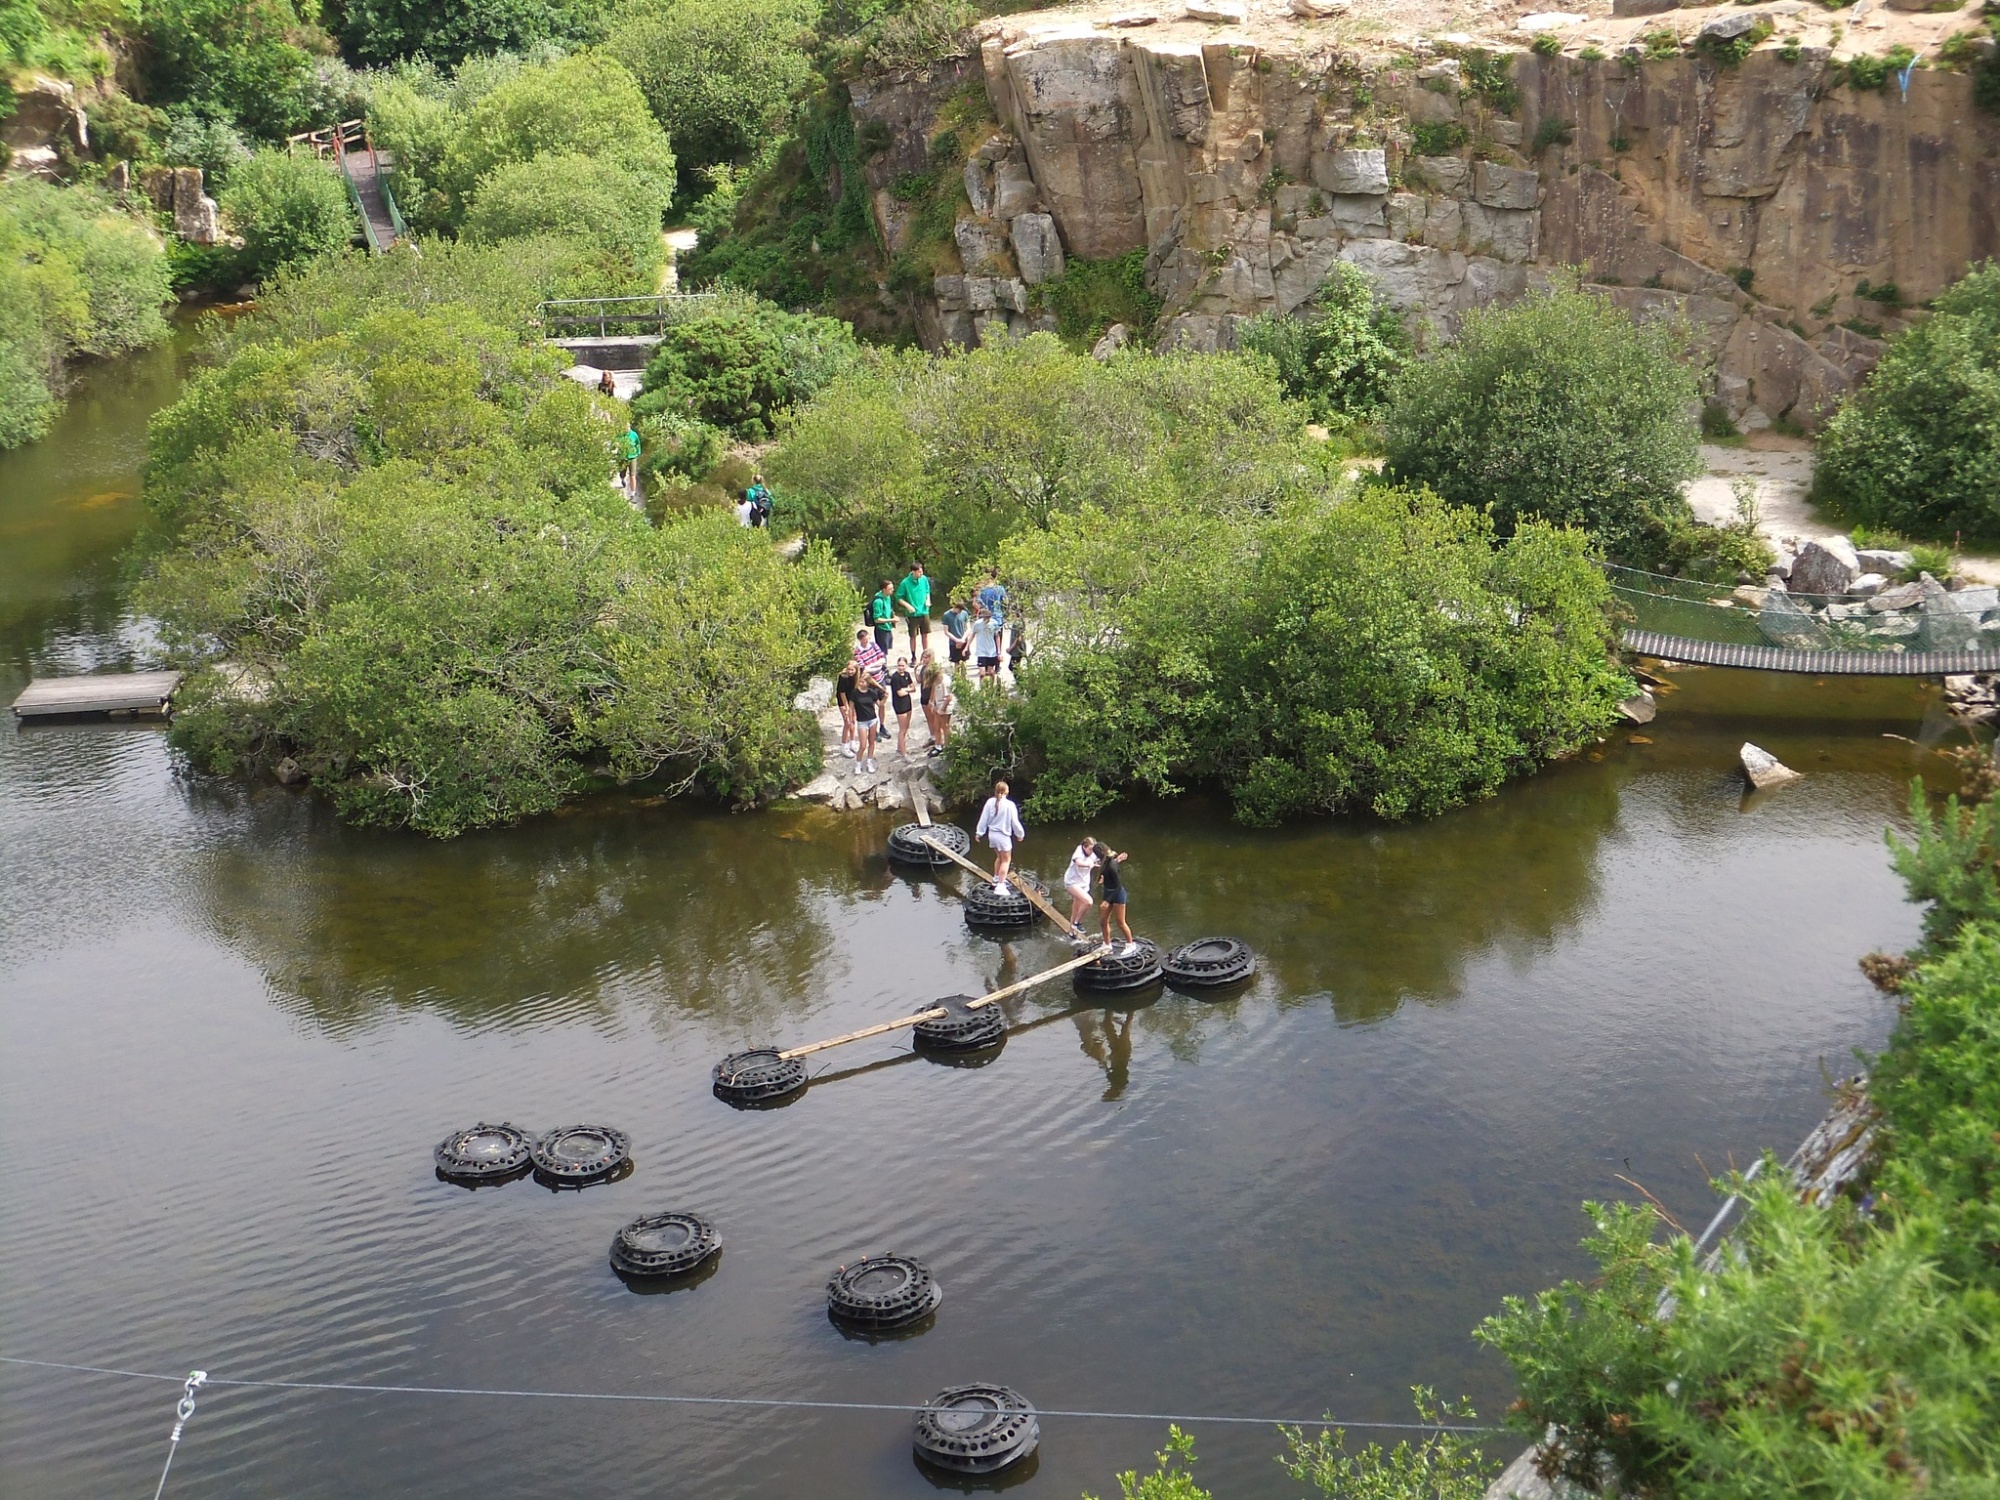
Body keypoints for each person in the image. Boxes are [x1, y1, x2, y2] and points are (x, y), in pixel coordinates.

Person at [975, 780, 1025, 892]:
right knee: (1006, 860)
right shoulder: (1010, 805)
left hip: (992, 835)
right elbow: (1015, 823)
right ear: (1007, 792)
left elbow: (983, 819)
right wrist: (1020, 834)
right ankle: (1001, 885)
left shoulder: (989, 802)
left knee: (999, 857)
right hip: (1003, 837)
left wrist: (979, 833)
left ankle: (996, 879)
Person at [1096, 842, 1134, 955]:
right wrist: (1103, 879)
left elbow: (1118, 885)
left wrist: (1107, 901)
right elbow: (1109, 867)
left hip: (1117, 894)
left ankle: (1130, 944)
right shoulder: (1106, 861)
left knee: (1120, 922)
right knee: (1103, 921)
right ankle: (1107, 945)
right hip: (1108, 892)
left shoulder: (1111, 865)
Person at [1063, 836, 1100, 937]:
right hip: (1072, 882)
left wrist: (1117, 859)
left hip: (1083, 884)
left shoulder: (1094, 853)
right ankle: (1077, 923)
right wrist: (1090, 865)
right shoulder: (1079, 851)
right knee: (1088, 902)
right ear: (1084, 847)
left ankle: (1071, 932)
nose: (1092, 852)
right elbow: (1079, 863)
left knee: (1076, 910)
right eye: (1090, 849)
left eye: (1093, 849)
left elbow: (1103, 860)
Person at [894, 562, 932, 658]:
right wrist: (908, 606)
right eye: (919, 571)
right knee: (913, 636)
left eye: (922, 570)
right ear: (913, 572)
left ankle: (925, 655)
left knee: (925, 634)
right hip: (912, 614)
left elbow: (927, 591)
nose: (921, 573)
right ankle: (913, 656)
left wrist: (928, 599)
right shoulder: (905, 583)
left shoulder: (924, 579)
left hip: (924, 611)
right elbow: (899, 598)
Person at [851, 669, 885, 773]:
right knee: (862, 745)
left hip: (872, 719)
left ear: (868, 683)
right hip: (861, 721)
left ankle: (869, 762)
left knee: (871, 742)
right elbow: (851, 707)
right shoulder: (855, 693)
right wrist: (851, 718)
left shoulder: (872, 693)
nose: (860, 683)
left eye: (863, 682)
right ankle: (858, 764)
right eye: (860, 681)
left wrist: (885, 698)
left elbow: (879, 705)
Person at [887, 656, 915, 758]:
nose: (901, 667)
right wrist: (907, 689)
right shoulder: (895, 677)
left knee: (906, 727)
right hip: (899, 705)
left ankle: (900, 747)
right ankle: (904, 753)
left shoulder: (907, 674)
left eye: (903, 666)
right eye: (899, 665)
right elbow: (900, 693)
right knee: (902, 729)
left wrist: (906, 689)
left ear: (906, 666)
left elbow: (913, 688)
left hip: (907, 703)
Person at [918, 650, 947, 751]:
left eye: (926, 657)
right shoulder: (923, 668)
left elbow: (933, 686)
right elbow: (920, 681)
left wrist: (932, 699)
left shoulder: (933, 669)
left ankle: (939, 739)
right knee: (929, 719)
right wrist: (916, 669)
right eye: (923, 657)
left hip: (929, 695)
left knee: (935, 720)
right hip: (923, 694)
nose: (924, 659)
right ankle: (933, 737)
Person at [834, 659, 859, 758]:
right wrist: (847, 708)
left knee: (853, 721)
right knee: (847, 722)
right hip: (843, 701)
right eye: (849, 669)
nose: (850, 672)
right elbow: (842, 693)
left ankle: (852, 742)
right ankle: (844, 745)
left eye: (852, 670)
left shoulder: (857, 677)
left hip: (852, 700)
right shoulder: (843, 677)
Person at [970, 606, 1001, 685]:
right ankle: (982, 688)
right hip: (981, 651)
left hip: (991, 651)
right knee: (982, 673)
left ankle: (991, 686)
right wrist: (967, 646)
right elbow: (973, 634)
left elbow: (997, 636)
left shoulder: (994, 623)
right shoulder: (977, 624)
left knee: (991, 672)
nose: (985, 619)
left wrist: (999, 651)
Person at [869, 579, 897, 657]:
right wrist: (892, 620)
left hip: (888, 627)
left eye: (892, 588)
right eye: (890, 589)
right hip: (881, 629)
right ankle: (883, 667)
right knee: (882, 651)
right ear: (884, 589)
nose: (892, 590)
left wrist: (893, 616)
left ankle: (884, 665)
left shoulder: (888, 597)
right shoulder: (878, 601)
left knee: (886, 649)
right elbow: (877, 619)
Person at [942, 597, 971, 669]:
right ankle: (957, 677)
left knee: (964, 661)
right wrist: (956, 640)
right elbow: (946, 631)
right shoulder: (946, 615)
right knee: (956, 662)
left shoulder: (964, 614)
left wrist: (963, 639)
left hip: (964, 640)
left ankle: (964, 677)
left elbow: (968, 628)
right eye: (959, 609)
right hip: (953, 642)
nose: (960, 611)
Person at [618, 423, 643, 502]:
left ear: (629, 427)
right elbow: (615, 444)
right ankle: (622, 479)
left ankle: (632, 494)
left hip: (632, 457)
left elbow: (637, 444)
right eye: (624, 427)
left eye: (627, 427)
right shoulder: (620, 435)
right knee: (622, 472)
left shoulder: (634, 435)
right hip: (623, 457)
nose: (626, 428)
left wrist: (638, 453)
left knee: (632, 475)